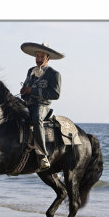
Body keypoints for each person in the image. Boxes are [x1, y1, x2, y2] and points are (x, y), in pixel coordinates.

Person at [20, 42, 64, 171]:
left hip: (42, 105)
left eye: (41, 57)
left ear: (48, 58)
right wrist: (24, 91)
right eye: (37, 56)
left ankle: (42, 155)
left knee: (36, 119)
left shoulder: (54, 74)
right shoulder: (30, 71)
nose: (38, 59)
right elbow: (27, 87)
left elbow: (55, 94)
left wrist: (31, 91)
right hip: (28, 103)